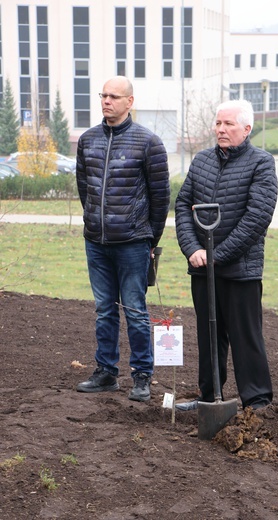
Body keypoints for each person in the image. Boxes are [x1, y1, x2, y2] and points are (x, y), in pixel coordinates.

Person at [175, 99, 278, 411]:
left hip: (241, 269)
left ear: (246, 129)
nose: (221, 129)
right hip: (201, 267)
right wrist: (192, 249)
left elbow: (257, 217)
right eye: (218, 123)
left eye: (228, 124)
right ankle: (208, 398)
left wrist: (217, 255)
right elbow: (182, 205)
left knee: (246, 336)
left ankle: (257, 402)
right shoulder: (202, 161)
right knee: (208, 335)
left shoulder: (261, 163)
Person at [75, 76, 170, 401]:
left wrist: (148, 240)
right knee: (104, 309)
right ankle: (106, 372)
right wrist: (94, 222)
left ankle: (142, 376)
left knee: (135, 309)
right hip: (96, 242)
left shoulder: (149, 142)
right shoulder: (87, 140)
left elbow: (161, 198)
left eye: (114, 96)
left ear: (130, 102)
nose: (106, 101)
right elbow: (84, 188)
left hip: (133, 243)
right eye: (103, 95)